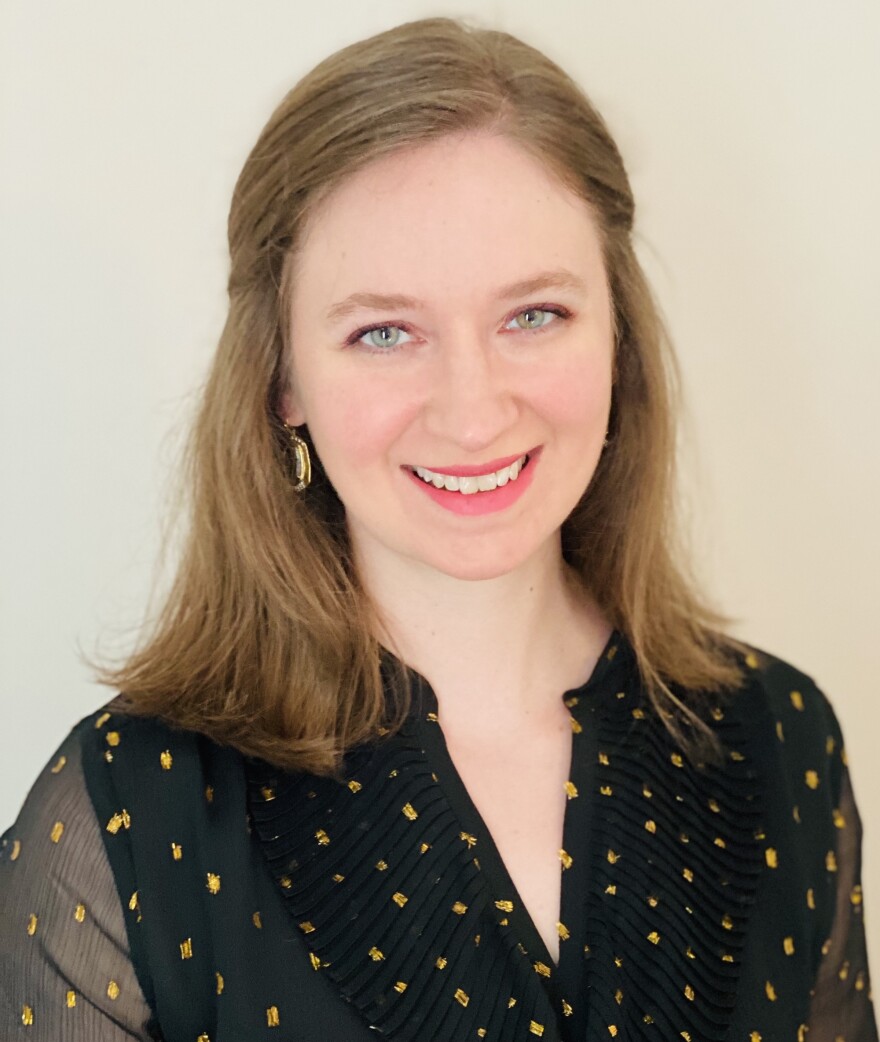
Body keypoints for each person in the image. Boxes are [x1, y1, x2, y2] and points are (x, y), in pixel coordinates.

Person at [0, 16, 875, 1041]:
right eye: (383, 331)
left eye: (533, 315)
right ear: (283, 378)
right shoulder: (122, 817)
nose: (471, 410)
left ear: (617, 336)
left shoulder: (781, 739)